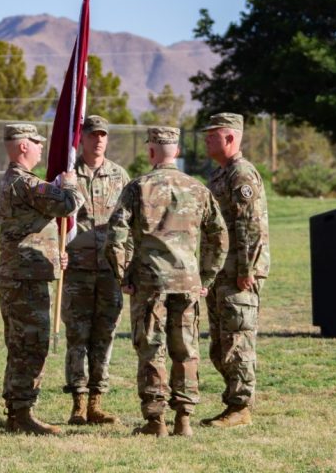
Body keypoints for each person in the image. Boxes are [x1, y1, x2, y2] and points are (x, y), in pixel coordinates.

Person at [105, 126, 228, 438]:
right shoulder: (198, 189)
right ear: (178, 152)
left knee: (151, 348)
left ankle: (155, 420)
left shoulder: (138, 188)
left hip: (149, 283)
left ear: (150, 152)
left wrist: (122, 275)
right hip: (186, 282)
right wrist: (207, 276)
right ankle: (184, 419)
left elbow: (115, 235)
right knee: (186, 348)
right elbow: (219, 236)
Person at [0, 123, 84, 436]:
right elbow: (68, 204)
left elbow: (28, 227)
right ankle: (21, 413)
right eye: (36, 142)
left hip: (21, 273)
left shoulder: (14, 181)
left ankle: (18, 409)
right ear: (23, 147)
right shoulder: (25, 182)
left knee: (22, 344)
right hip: (23, 277)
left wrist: (52, 251)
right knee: (30, 345)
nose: (41, 147)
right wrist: (71, 184)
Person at [202, 113, 270, 428]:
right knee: (220, 344)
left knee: (237, 341)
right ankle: (233, 402)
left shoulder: (241, 174)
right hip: (220, 272)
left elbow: (251, 226)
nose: (206, 139)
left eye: (212, 135)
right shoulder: (220, 175)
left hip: (238, 274)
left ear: (230, 138)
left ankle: (240, 408)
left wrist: (247, 270)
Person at [62, 115, 130, 425]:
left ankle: (95, 402)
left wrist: (126, 262)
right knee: (78, 336)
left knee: (104, 335)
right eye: (93, 134)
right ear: (83, 138)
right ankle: (77, 402)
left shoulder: (119, 175)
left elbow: (129, 223)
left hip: (110, 270)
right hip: (76, 269)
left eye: (103, 134)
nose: (99, 140)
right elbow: (54, 221)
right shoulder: (67, 174)